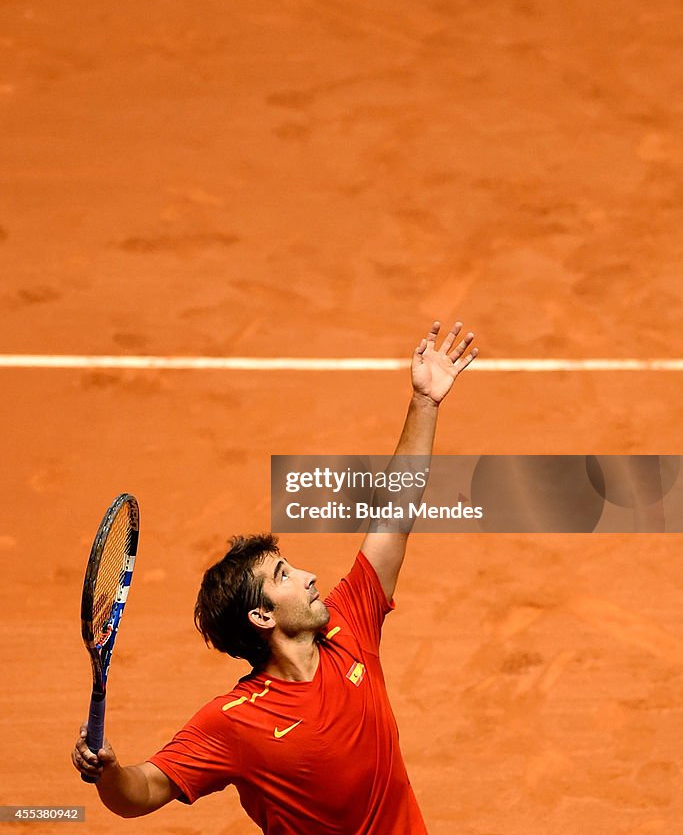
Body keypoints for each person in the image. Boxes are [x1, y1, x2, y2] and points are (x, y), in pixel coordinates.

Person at [72, 319, 478, 833]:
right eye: (284, 575)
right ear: (261, 614)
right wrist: (109, 771)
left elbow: (394, 514)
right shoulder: (234, 721)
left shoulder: (348, 627)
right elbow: (142, 792)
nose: (309, 577)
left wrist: (425, 403)